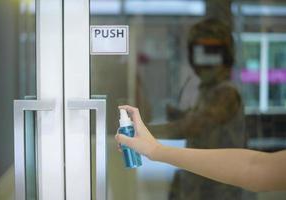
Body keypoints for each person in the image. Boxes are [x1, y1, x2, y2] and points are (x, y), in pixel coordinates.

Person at [148, 18, 248, 199]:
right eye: (200, 52)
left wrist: (142, 130)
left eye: (212, 52)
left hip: (217, 188)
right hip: (202, 182)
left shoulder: (226, 93)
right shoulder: (211, 90)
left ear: (225, 56)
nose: (204, 61)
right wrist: (181, 115)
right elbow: (203, 121)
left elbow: (195, 126)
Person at [115, 105, 286, 192]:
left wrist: (155, 149)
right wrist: (155, 150)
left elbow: (256, 169)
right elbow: (254, 167)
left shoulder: (226, 94)